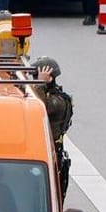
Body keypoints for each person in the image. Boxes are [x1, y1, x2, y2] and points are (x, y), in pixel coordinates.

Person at [35, 59, 74, 199]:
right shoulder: (53, 95)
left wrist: (40, 84)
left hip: (50, 152)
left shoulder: (58, 101)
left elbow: (39, 107)